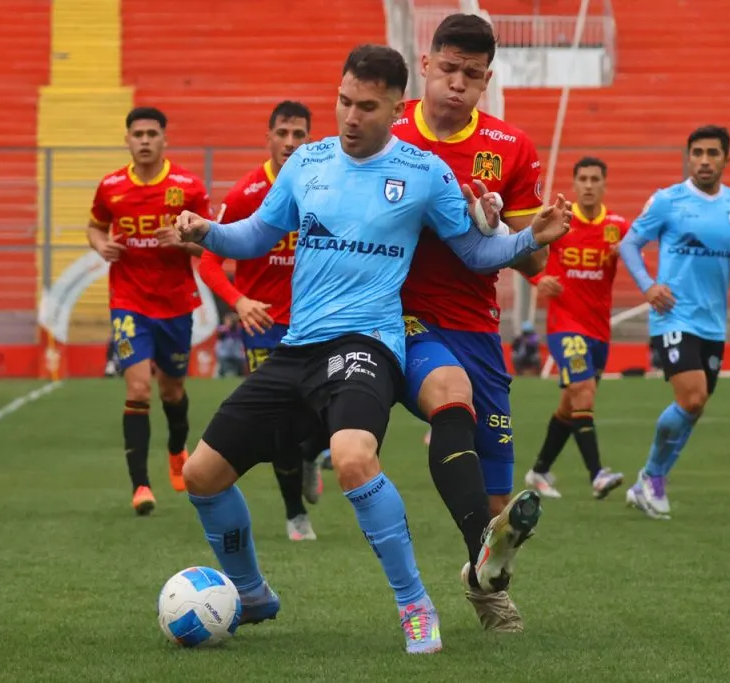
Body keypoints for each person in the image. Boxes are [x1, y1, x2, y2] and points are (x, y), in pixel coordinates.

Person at [171, 44, 569, 654]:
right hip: (297, 347)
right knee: (202, 474)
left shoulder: (424, 172)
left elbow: (473, 252)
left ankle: (415, 605)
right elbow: (256, 235)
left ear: (394, 108)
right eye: (343, 102)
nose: (350, 118)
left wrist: (524, 241)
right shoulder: (307, 162)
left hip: (368, 343)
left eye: (367, 107)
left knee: (353, 456)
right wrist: (208, 233)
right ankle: (252, 594)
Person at [391, 13, 554, 632]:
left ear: (488, 80)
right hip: (401, 316)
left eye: (473, 75)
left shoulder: (511, 148)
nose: (457, 83)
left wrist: (511, 227)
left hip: (477, 323)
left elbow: (532, 257)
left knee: (495, 504)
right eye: (449, 69)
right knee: (446, 395)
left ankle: (481, 581)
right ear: (426, 64)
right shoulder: (392, 129)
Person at [619, 125, 730, 520]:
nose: (704, 160)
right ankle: (652, 479)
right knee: (693, 398)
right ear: (688, 157)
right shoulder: (668, 201)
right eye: (697, 152)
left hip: (712, 322)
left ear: (725, 159)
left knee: (694, 407)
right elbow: (629, 243)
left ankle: (649, 479)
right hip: (673, 316)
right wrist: (649, 287)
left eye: (712, 153)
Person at [198, 100, 327, 542]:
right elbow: (210, 262)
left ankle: (315, 451)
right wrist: (239, 300)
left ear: (310, 138)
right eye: (283, 134)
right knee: (280, 425)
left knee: (334, 409)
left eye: (299, 135)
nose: (290, 143)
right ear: (268, 137)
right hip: (265, 326)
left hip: (318, 321)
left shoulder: (325, 184)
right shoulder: (246, 193)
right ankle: (295, 514)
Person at [87, 106, 211, 515]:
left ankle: (177, 449)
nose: (144, 141)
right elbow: (95, 226)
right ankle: (140, 485)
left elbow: (209, 243)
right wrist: (100, 244)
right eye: (137, 134)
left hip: (175, 304)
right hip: (128, 302)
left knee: (171, 391)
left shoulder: (187, 187)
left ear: (164, 139)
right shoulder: (111, 187)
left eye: (151, 134)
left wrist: (181, 242)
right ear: (127, 139)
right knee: (138, 388)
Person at [524, 157, 626, 500]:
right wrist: (539, 279)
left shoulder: (617, 227)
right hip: (564, 327)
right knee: (583, 390)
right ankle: (597, 474)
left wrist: (627, 252)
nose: (588, 184)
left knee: (572, 404)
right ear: (574, 182)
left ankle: (538, 471)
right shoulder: (560, 223)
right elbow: (522, 252)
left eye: (595, 178)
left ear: (604, 183)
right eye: (582, 178)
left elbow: (638, 254)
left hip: (599, 331)